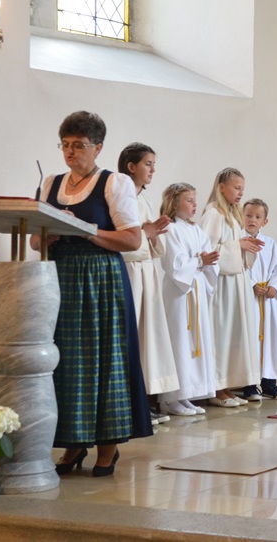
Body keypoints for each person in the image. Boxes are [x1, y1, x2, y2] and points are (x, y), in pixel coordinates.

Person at [31, 111, 153, 477]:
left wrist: (87, 231)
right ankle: (73, 442)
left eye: (79, 145)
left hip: (101, 280)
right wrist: (47, 235)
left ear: (97, 147)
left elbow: (132, 239)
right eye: (65, 145)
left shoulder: (114, 182)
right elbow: (35, 240)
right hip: (62, 277)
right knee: (67, 361)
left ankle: (107, 447)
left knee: (104, 359)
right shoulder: (51, 183)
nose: (70, 152)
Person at [118, 143, 179, 425]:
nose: (153, 169)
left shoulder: (144, 197)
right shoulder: (120, 196)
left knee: (147, 338)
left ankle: (144, 401)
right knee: (132, 337)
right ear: (131, 167)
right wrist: (146, 234)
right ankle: (130, 402)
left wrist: (153, 234)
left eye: (154, 164)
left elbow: (151, 240)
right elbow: (121, 241)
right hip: (131, 273)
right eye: (148, 164)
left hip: (146, 273)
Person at [199, 168, 265, 406]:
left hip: (236, 283)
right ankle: (216, 389)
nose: (240, 193)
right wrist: (238, 246)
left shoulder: (232, 214)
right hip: (221, 286)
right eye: (236, 188)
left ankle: (226, 387)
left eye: (242, 189)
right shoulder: (214, 214)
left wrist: (246, 245)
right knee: (221, 335)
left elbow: (232, 245)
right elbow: (207, 250)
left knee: (233, 336)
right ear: (221, 187)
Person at [156, 183, 220, 416]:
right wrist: (200, 261)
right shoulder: (170, 228)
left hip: (197, 288)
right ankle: (170, 399)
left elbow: (208, 257)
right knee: (179, 341)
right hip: (178, 293)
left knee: (195, 341)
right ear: (174, 203)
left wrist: (206, 261)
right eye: (189, 200)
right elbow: (174, 265)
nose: (195, 205)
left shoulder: (196, 230)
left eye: (195, 200)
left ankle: (186, 394)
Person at [242, 198, 277, 401]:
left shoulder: (270, 244)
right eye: (248, 215)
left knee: (270, 340)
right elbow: (238, 269)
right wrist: (251, 284)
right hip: (249, 299)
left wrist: (274, 286)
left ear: (265, 221)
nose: (252, 220)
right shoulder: (238, 242)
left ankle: (269, 383)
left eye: (257, 216)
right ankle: (249, 385)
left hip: (267, 299)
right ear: (241, 217)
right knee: (249, 340)